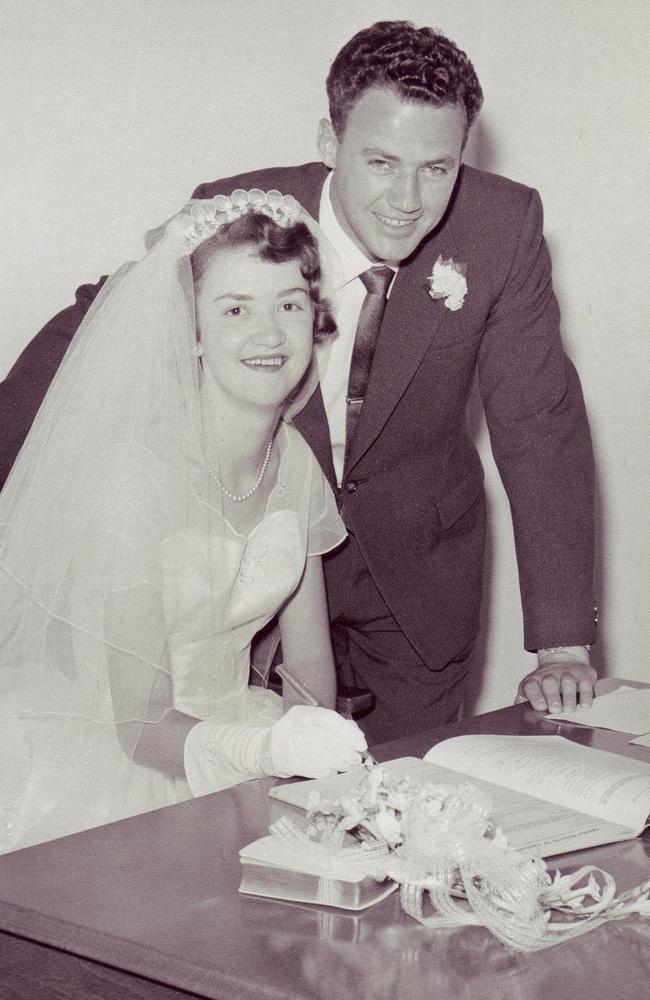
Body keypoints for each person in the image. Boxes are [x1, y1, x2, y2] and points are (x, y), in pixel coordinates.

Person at [0, 21, 598, 744]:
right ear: (328, 143)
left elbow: (541, 422)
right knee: (252, 798)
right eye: (381, 162)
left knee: (408, 805)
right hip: (260, 563)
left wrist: (563, 641)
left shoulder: (504, 226)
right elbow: (94, 327)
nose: (407, 199)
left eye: (437, 168)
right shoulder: (243, 214)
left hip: (419, 576)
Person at [0, 192, 368, 853]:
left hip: (242, 737)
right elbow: (140, 728)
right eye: (235, 309)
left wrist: (310, 756)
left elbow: (309, 664)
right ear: (191, 332)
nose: (270, 335)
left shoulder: (299, 464)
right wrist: (266, 749)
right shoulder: (135, 480)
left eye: (289, 305)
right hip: (124, 762)